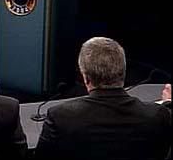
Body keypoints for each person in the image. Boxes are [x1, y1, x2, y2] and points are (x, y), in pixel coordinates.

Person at [35, 37, 171, 160]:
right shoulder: (157, 116)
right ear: (123, 72)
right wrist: (168, 103)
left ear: (85, 77)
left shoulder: (60, 117)